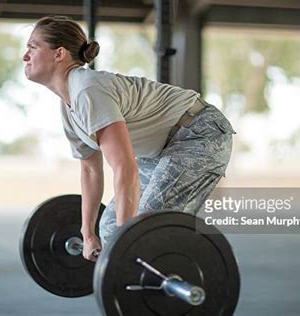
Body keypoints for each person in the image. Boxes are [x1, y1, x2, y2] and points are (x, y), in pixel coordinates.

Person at [23, 16, 235, 262]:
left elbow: (125, 167)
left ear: (59, 54)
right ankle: (141, 283)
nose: (25, 56)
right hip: (161, 149)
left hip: (198, 133)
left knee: (146, 224)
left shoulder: (88, 90)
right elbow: (91, 171)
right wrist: (88, 233)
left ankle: (190, 283)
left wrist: (127, 244)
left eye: (32, 47)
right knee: (111, 227)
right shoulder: (68, 107)